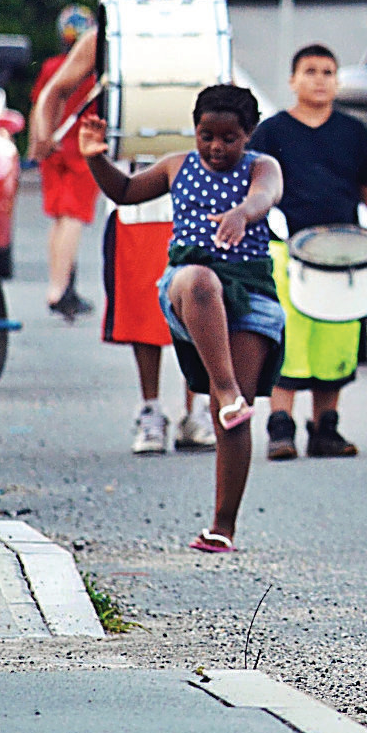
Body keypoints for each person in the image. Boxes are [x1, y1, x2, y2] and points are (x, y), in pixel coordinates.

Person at [78, 85, 283, 554]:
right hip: (188, 282)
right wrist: (95, 158)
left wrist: (243, 213)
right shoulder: (176, 165)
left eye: (229, 138)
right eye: (206, 134)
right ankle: (225, 388)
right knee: (199, 279)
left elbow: (266, 195)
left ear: (248, 135)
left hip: (250, 289)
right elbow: (126, 192)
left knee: (231, 420)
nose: (215, 146)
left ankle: (222, 527)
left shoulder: (261, 167)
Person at [31, 0, 211, 454]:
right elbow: (54, 91)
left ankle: (195, 413)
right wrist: (44, 134)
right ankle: (150, 410)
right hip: (134, 183)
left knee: (199, 301)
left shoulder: (198, 32)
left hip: (196, 182)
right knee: (140, 304)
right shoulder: (105, 37)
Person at [248, 44, 367, 461]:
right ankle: (280, 427)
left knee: (337, 339)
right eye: (310, 71)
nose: (320, 79)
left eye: (328, 71)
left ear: (337, 81)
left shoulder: (354, 132)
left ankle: (326, 428)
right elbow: (252, 188)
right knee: (287, 339)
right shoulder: (271, 132)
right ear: (292, 81)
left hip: (343, 253)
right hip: (285, 250)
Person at [32, 4, 100, 319]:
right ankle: (59, 288)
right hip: (80, 146)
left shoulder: (51, 66)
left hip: (52, 145)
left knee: (60, 218)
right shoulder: (93, 70)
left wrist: (38, 142)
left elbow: (41, 103)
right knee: (74, 217)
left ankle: (59, 284)